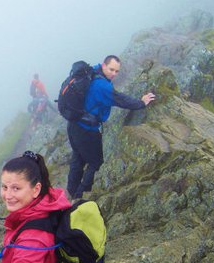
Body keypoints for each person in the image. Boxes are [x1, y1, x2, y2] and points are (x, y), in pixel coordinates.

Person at [67, 55, 156, 199]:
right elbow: (120, 99)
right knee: (96, 162)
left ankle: (71, 192)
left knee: (78, 157)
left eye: (116, 71)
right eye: (111, 69)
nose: (113, 74)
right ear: (104, 66)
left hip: (73, 124)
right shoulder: (102, 85)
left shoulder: (92, 72)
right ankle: (80, 195)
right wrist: (141, 103)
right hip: (86, 130)